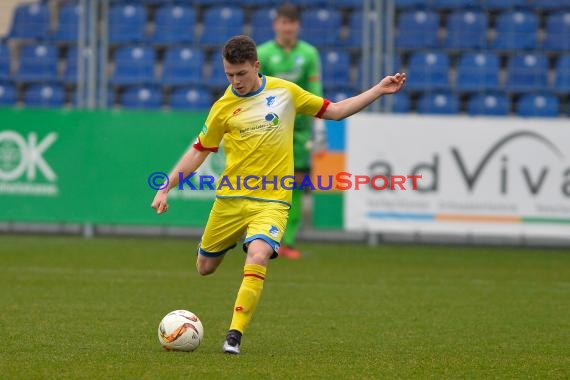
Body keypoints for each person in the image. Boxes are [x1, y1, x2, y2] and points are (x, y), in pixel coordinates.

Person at [151, 35, 406, 355]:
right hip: (230, 201)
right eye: (229, 75)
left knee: (257, 255)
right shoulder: (222, 107)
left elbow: (336, 111)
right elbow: (200, 151)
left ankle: (234, 335)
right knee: (204, 267)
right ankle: (230, 241)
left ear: (256, 66)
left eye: (241, 74)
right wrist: (166, 186)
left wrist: (378, 90)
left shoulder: (285, 92)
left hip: (271, 202)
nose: (235, 81)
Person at [257, 4, 324, 260]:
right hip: (269, 130)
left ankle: (289, 241)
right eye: (283, 22)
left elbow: (315, 91)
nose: (287, 27)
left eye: (292, 22)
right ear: (276, 24)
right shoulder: (263, 53)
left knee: (295, 186)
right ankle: (264, 236)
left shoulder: (309, 54)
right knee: (264, 185)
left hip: (300, 132)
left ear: (298, 25)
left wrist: (319, 126)